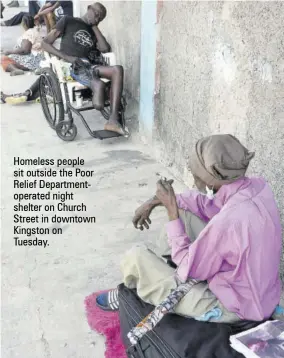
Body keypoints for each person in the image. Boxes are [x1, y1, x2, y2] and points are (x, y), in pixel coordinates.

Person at [96, 134, 282, 323]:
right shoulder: (258, 187)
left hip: (233, 308)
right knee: (184, 213)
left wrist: (171, 213)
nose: (194, 180)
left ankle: (134, 290)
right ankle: (164, 275)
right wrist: (157, 201)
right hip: (260, 294)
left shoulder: (227, 222)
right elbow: (205, 204)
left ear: (212, 179)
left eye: (196, 174)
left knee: (135, 258)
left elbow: (190, 268)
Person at [2, 3, 127, 136]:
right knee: (88, 73)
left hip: (90, 66)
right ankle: (97, 85)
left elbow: (105, 48)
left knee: (117, 69)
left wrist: (94, 26)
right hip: (72, 66)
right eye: (96, 13)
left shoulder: (93, 30)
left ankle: (112, 120)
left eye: (100, 18)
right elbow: (45, 43)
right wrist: (67, 57)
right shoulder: (68, 20)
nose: (97, 17)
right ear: (89, 8)